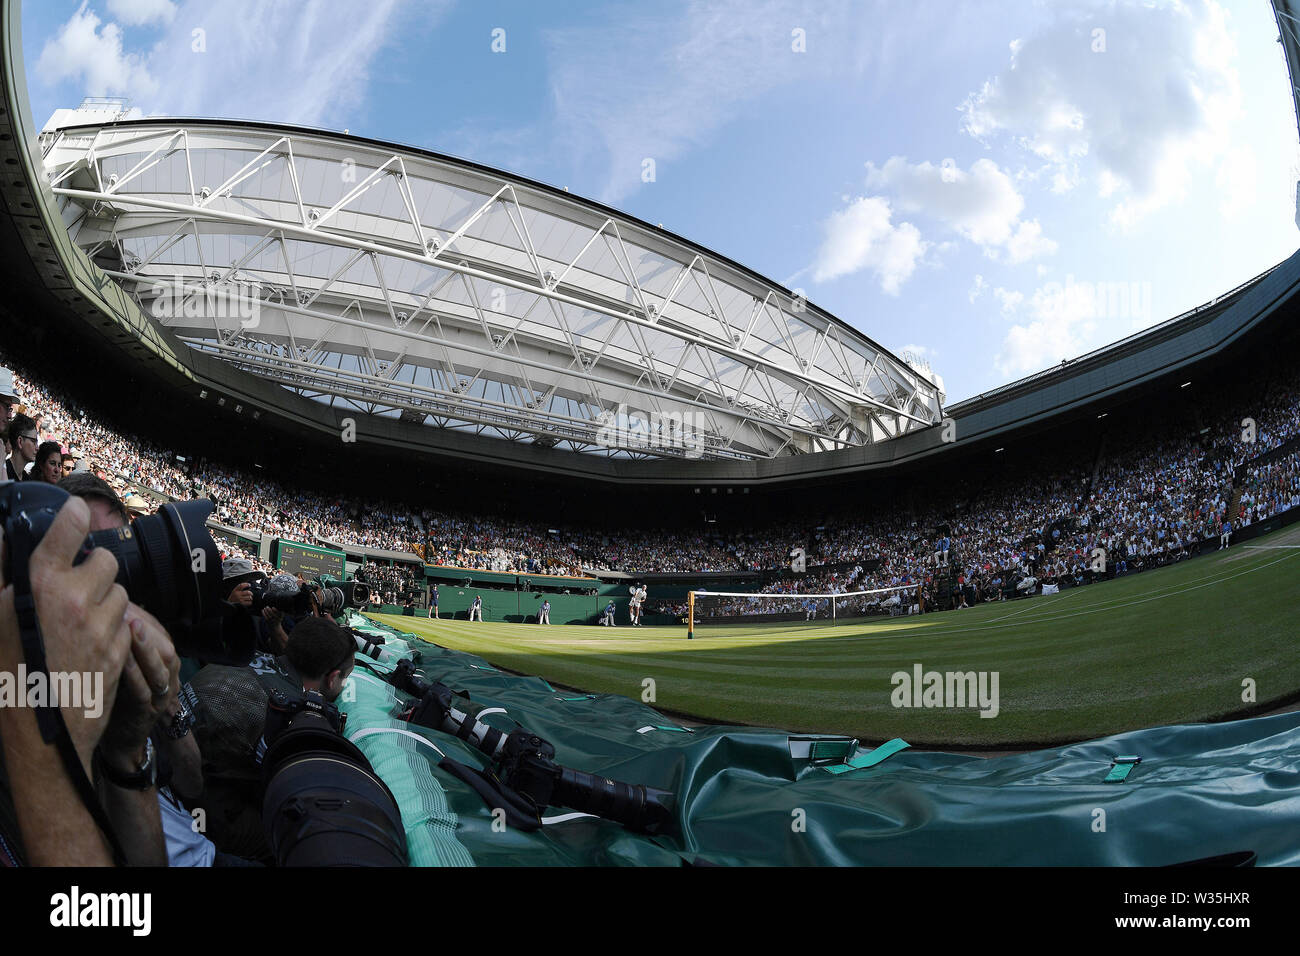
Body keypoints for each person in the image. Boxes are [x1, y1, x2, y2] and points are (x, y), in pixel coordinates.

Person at [6, 414, 39, 480]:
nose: (37, 448)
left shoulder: (28, 481)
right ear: (20, 441)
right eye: (33, 441)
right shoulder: (3, 473)